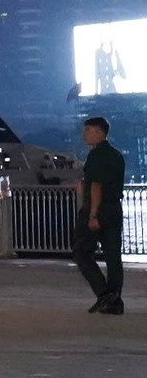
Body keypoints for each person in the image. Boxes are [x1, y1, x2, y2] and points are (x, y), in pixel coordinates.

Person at [73, 116, 127, 315]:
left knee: (81, 252)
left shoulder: (96, 156)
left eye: (88, 130)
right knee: (113, 257)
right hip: (114, 209)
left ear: (99, 132)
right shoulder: (117, 155)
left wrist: (93, 215)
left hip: (98, 208)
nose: (84, 134)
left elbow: (96, 186)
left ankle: (104, 293)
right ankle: (115, 301)